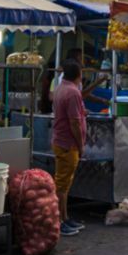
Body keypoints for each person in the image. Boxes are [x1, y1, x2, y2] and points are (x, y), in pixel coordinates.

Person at [52, 60, 87, 237]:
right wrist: (80, 144)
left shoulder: (60, 88)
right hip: (68, 143)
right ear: (78, 75)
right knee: (62, 184)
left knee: (65, 183)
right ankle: (60, 220)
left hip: (61, 141)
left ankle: (65, 217)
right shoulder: (73, 92)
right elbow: (74, 122)